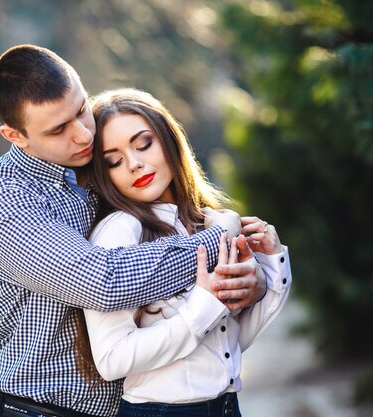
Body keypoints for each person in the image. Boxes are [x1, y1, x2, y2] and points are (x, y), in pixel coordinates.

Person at [0, 44, 268, 417]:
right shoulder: (1, 203)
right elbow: (104, 282)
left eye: (81, 110)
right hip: (46, 410)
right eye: (58, 129)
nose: (82, 134)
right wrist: (220, 243)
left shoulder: (101, 166)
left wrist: (250, 280)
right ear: (15, 135)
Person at [77, 88, 292, 417]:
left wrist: (272, 268)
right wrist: (203, 306)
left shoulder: (206, 222)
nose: (134, 164)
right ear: (104, 174)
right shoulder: (120, 230)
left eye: (144, 143)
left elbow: (228, 345)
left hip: (225, 406)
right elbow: (111, 359)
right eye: (115, 160)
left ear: (169, 140)